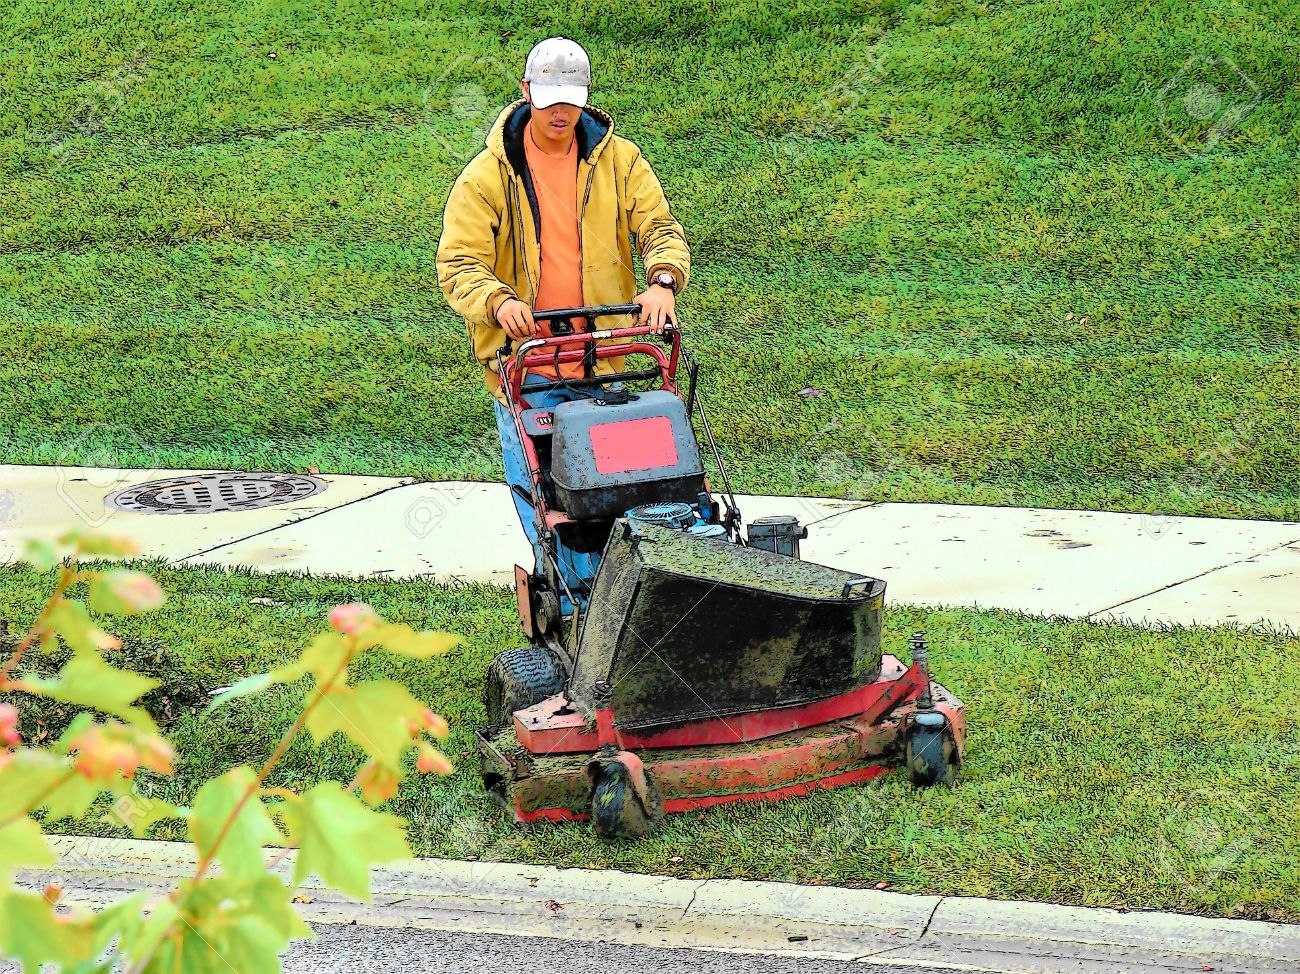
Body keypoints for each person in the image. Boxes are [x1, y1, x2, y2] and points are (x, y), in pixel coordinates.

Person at [436, 36, 691, 612]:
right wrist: (499, 302)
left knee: (633, 490)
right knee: (553, 501)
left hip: (608, 360)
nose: (559, 112)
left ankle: (643, 603)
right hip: (529, 369)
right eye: (549, 97)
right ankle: (578, 616)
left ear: (584, 99)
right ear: (527, 92)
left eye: (570, 99)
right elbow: (458, 264)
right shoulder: (488, 177)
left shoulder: (619, 161)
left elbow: (658, 225)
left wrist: (662, 280)